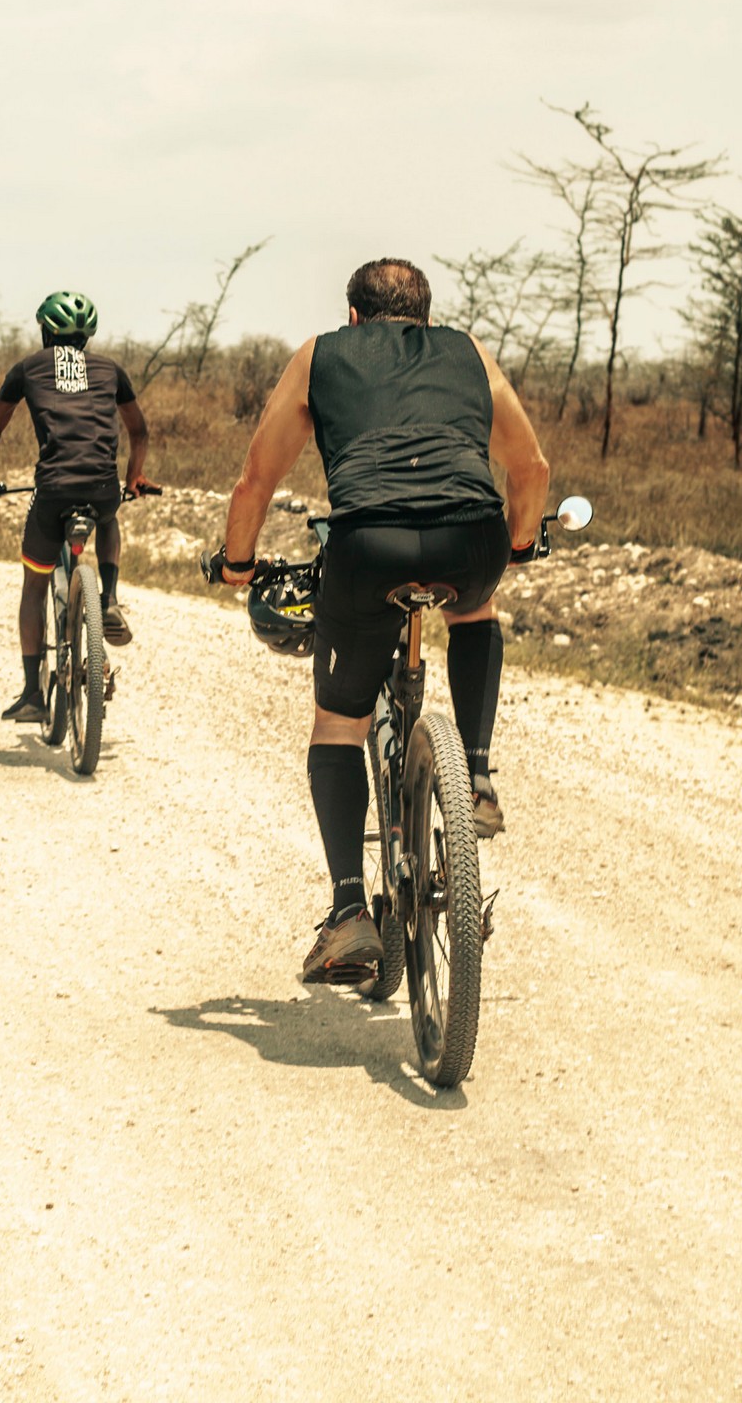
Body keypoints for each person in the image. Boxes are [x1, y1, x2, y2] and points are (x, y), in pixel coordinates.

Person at [215, 257, 551, 985]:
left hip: (369, 546)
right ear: (426, 316)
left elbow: (256, 478)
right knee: (476, 604)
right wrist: (518, 544)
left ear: (356, 318)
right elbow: (531, 468)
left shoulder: (321, 354)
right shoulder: (470, 351)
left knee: (339, 722)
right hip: (472, 536)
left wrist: (236, 562)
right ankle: (481, 775)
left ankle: (346, 913)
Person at [0, 290, 153, 724]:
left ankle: (32, 693)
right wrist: (134, 476)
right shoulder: (110, 369)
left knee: (34, 584)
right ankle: (110, 599)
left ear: (45, 331)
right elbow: (139, 431)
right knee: (109, 512)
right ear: (89, 336)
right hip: (101, 487)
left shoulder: (28, 368)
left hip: (54, 491)